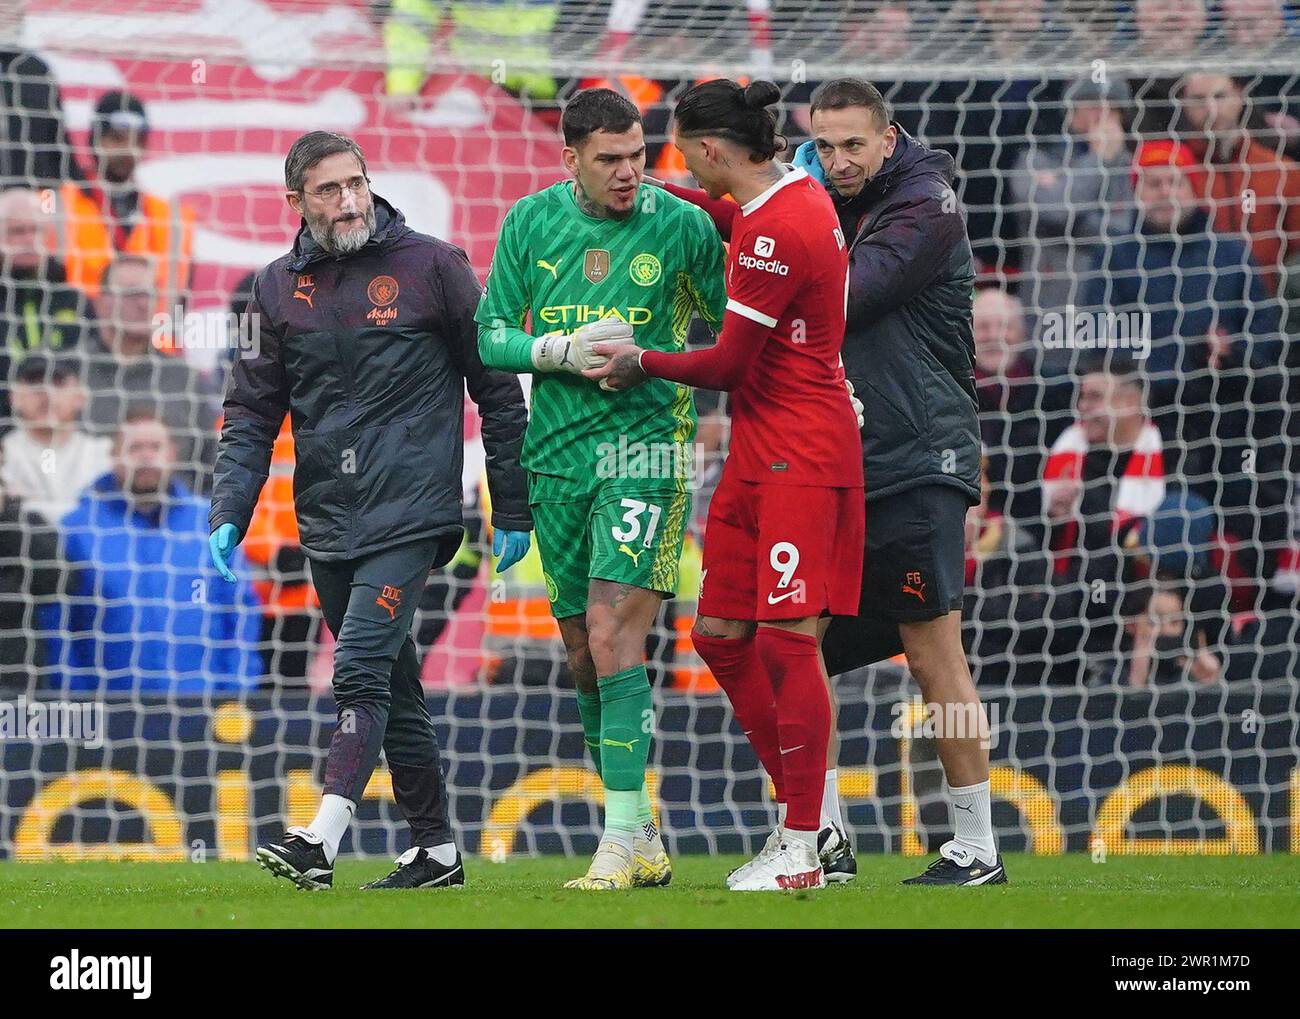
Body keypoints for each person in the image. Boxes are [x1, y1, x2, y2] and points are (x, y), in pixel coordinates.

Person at [211, 131, 531, 891]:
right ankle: (436, 850)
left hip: (414, 512)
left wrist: (512, 506)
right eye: (328, 190)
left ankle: (321, 836)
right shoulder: (272, 289)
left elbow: (496, 392)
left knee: (355, 667)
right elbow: (251, 412)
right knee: (394, 682)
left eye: (355, 183)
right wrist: (231, 504)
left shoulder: (435, 265)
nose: (349, 200)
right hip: (327, 519)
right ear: (295, 202)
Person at [588, 78, 864, 892]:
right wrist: (657, 192)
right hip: (758, 450)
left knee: (786, 639)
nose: (679, 164)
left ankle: (808, 844)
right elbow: (730, 217)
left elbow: (727, 362)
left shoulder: (782, 227)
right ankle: (801, 816)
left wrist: (639, 360)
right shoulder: (779, 200)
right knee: (718, 632)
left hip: (803, 453)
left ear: (712, 148)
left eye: (676, 152)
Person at [474, 87, 727, 890]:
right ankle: (640, 828)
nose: (629, 173)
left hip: (647, 452)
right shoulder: (529, 222)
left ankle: (616, 841)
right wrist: (559, 349)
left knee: (615, 631)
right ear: (570, 158)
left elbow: (737, 324)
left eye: (638, 155)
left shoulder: (683, 226)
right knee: (584, 651)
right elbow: (489, 333)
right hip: (557, 460)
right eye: (610, 159)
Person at [793, 79, 1002, 885]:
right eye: (826, 145)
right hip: (837, 458)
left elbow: (843, 296)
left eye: (854, 144)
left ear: (888, 137)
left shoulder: (927, 203)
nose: (840, 161)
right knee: (794, 638)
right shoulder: (817, 193)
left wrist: (766, 266)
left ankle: (976, 844)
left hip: (920, 453)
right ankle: (826, 838)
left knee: (930, 647)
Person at [38, 409, 264, 693]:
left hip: (201, 707)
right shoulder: (77, 529)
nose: (146, 456)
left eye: (155, 447)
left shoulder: (211, 524)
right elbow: (58, 622)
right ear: (114, 457)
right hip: (109, 710)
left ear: (171, 454)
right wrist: (77, 698)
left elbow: (241, 610)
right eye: (134, 448)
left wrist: (235, 689)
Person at [79, 252, 220, 492]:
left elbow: (210, 471)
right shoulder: (70, 372)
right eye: (132, 294)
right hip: (86, 519)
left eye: (150, 294)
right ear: (102, 303)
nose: (144, 304)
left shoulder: (184, 380)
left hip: (171, 523)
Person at [55, 91, 195, 312]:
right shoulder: (60, 203)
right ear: (95, 139)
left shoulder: (173, 217)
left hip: (151, 343)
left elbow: (179, 307)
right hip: (81, 339)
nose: (129, 150)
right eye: (117, 138)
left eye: (137, 141)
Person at [1177, 71, 1300, 295]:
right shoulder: (1175, 176)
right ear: (1184, 104)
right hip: (1197, 304)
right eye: (1198, 99)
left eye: (1220, 96)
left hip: (1272, 306)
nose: (1211, 109)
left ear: (1240, 96)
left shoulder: (1281, 171)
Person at [0, 187, 89, 426]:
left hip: (70, 432)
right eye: (17, 232)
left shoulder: (72, 299)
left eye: (36, 230)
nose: (29, 240)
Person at [1, 352, 110, 521]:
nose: (47, 393)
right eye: (34, 382)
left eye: (58, 382)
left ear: (81, 396)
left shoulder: (104, 453)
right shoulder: (4, 455)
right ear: (14, 397)